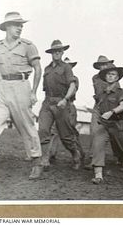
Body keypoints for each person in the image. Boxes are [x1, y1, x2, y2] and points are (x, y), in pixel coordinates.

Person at [0, 12, 42, 180]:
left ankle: (36, 162)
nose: (20, 27)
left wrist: (33, 91)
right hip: (3, 88)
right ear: (6, 27)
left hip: (21, 87)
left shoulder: (27, 45)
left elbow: (37, 68)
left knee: (26, 126)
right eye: (16, 24)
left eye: (22, 25)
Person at [38, 40, 84, 172]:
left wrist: (65, 99)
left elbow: (72, 85)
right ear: (51, 53)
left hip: (61, 103)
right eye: (54, 51)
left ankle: (75, 154)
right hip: (47, 102)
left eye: (59, 51)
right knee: (43, 130)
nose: (57, 53)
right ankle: (45, 158)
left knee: (66, 136)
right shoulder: (47, 69)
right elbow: (45, 89)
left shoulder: (66, 67)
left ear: (63, 52)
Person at [91, 64, 123, 186]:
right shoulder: (102, 93)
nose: (110, 77)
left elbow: (122, 106)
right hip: (103, 124)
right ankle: (98, 175)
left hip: (116, 124)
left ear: (117, 78)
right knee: (98, 144)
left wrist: (111, 112)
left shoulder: (119, 91)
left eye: (113, 75)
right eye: (108, 74)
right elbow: (98, 106)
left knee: (122, 150)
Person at [48, 57, 83, 164]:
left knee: (70, 132)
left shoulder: (74, 79)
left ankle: (79, 155)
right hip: (57, 106)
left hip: (68, 107)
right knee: (54, 131)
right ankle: (51, 154)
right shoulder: (56, 77)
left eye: (70, 66)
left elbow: (72, 91)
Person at [84, 55, 116, 170]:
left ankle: (120, 158)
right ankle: (93, 159)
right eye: (100, 65)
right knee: (94, 131)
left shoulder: (113, 76)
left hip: (111, 106)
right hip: (98, 106)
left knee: (114, 134)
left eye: (105, 64)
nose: (103, 67)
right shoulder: (95, 78)